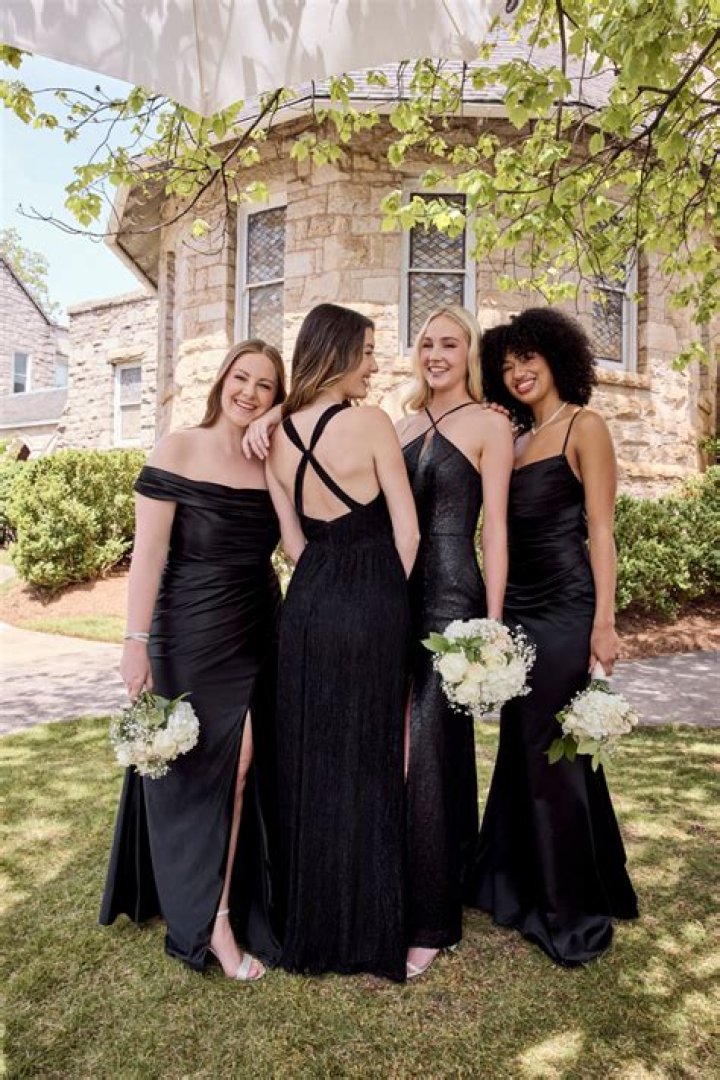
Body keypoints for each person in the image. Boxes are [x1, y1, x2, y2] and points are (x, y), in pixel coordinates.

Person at [100, 339, 298, 982]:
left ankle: (221, 909)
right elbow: (148, 555)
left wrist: (278, 426)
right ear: (221, 380)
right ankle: (209, 917)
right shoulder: (177, 447)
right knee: (195, 768)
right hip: (187, 631)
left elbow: (295, 542)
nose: (250, 393)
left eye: (265, 386)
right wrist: (134, 642)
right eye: (241, 378)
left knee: (241, 765)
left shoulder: (272, 455)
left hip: (256, 628)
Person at [469, 308, 638, 966]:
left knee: (554, 758)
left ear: (557, 358)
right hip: (518, 608)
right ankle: (514, 884)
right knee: (525, 748)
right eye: (507, 365)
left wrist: (605, 621)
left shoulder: (582, 426)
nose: (518, 372)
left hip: (566, 608)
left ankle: (570, 910)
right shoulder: (511, 439)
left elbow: (601, 529)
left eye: (528, 359)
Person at [265, 302, 420, 982]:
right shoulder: (372, 422)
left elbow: (293, 546)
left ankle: (312, 924)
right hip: (373, 598)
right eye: (367, 352)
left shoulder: (273, 438)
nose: (374, 365)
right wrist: (383, 597)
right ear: (336, 354)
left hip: (308, 604)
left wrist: (330, 589)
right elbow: (408, 532)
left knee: (312, 756)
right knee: (371, 757)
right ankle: (369, 926)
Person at [396, 306, 514, 979]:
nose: (435, 354)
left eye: (448, 343)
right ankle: (419, 877)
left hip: (452, 598)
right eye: (426, 343)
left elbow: (494, 528)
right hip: (394, 597)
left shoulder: (489, 425)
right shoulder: (402, 422)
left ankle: (431, 920)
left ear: (469, 352)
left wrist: (491, 624)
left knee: (432, 745)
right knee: (399, 743)